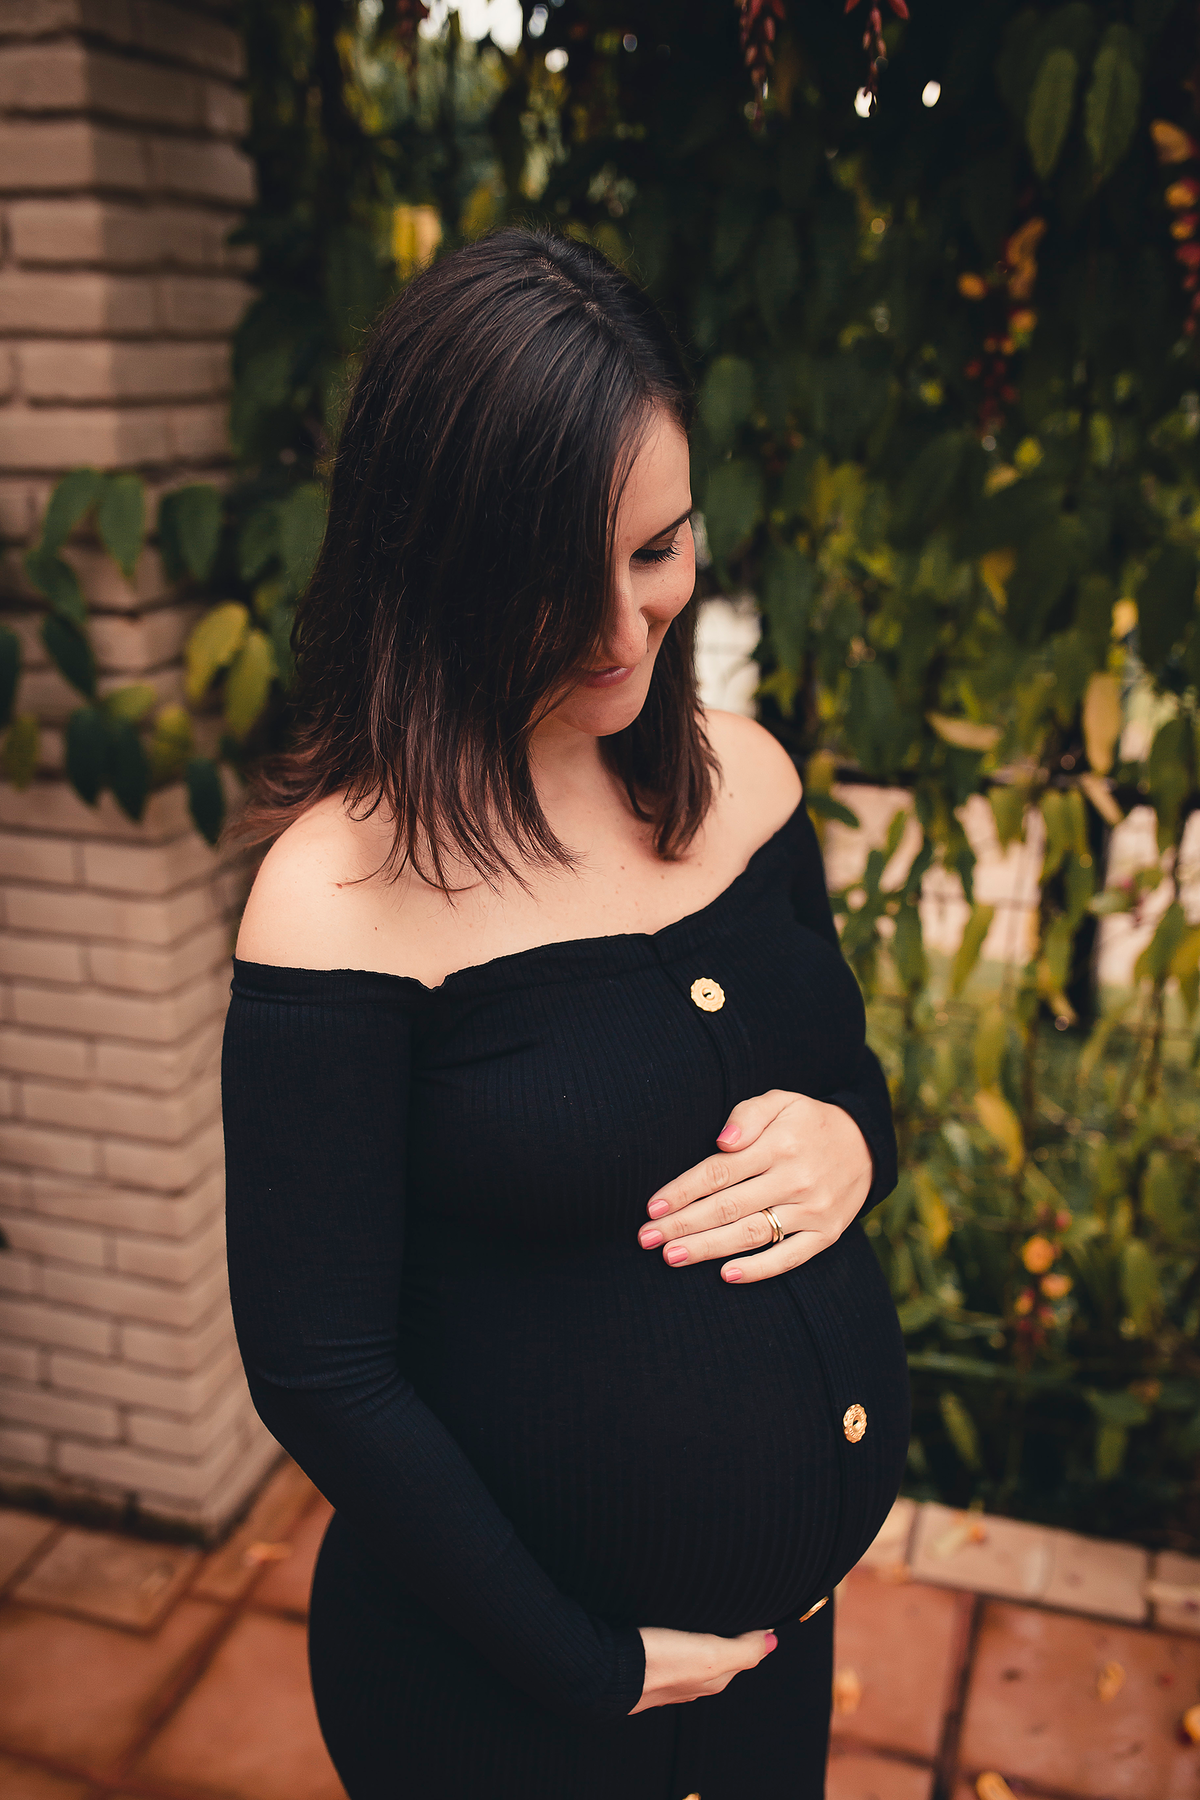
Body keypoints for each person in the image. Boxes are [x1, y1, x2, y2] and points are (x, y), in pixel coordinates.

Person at [222, 227, 909, 1800]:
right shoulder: (336, 899)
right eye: (551, 576)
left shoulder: (746, 781)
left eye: (658, 549)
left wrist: (855, 1149)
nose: (619, 631)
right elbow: (322, 1370)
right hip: (513, 1711)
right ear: (433, 563)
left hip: (771, 1660)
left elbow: (847, 1082)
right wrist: (590, 1666)